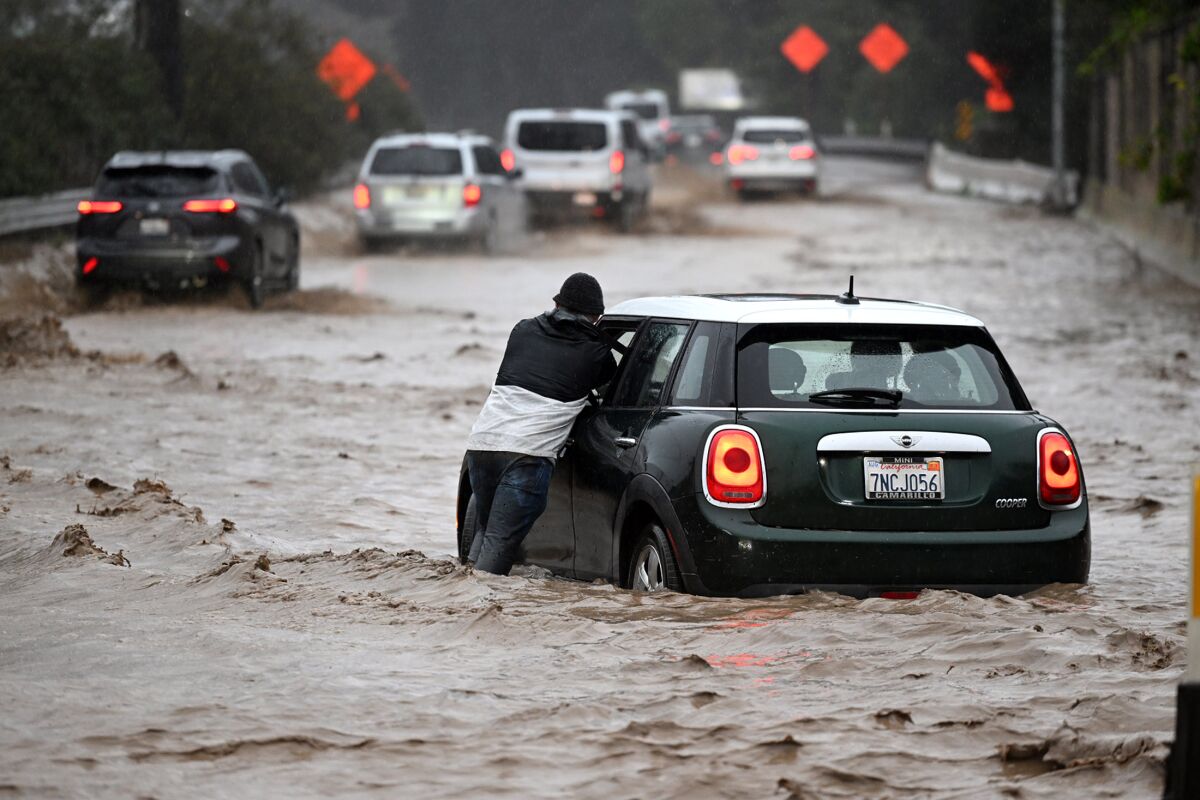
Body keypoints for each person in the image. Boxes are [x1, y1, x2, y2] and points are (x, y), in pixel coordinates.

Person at [464, 273, 618, 575]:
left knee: (485, 533)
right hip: (527, 454)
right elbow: (608, 391)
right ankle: (479, 613)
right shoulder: (597, 354)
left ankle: (457, 599)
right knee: (498, 549)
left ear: (557, 303)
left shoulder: (522, 331)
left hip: (482, 445)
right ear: (597, 317)